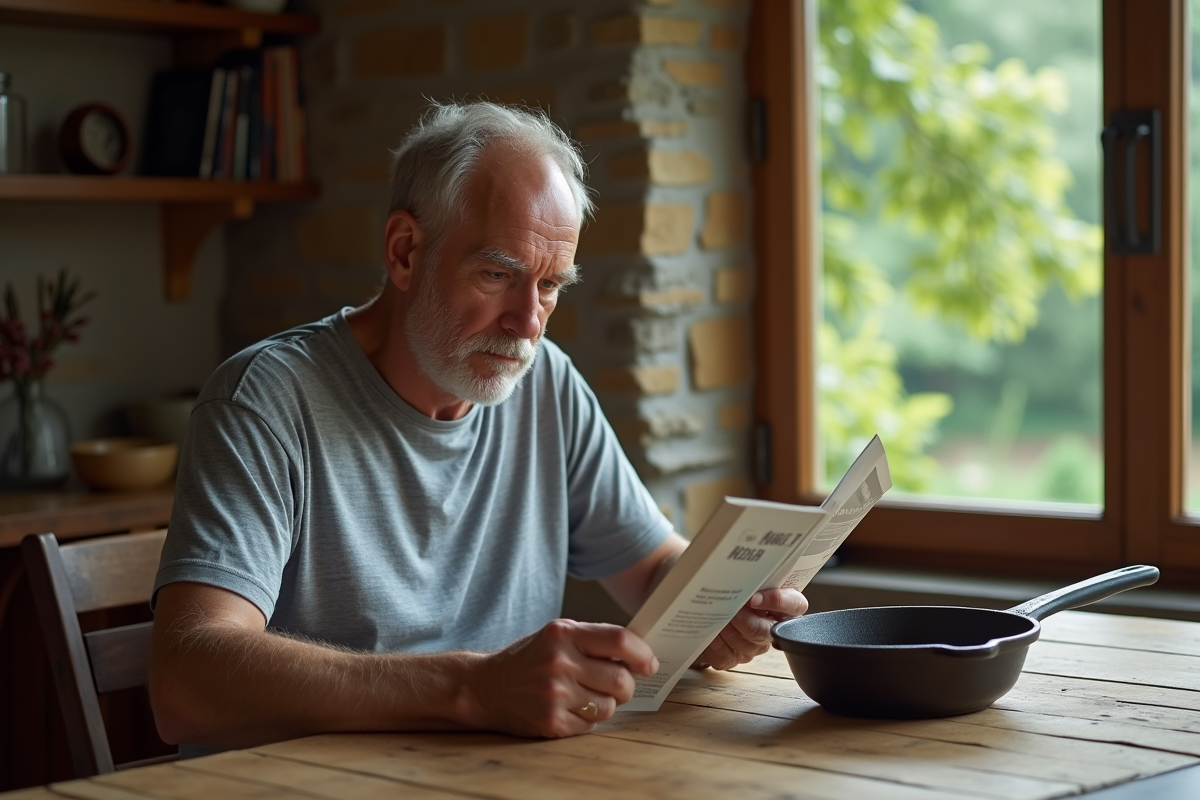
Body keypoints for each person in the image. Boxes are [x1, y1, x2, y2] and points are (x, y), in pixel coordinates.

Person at [148, 101, 808, 751]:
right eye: (498, 274)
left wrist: (723, 605)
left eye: (551, 285)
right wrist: (471, 688)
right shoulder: (265, 400)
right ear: (404, 251)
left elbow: (654, 566)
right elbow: (187, 682)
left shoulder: (547, 383)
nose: (528, 323)